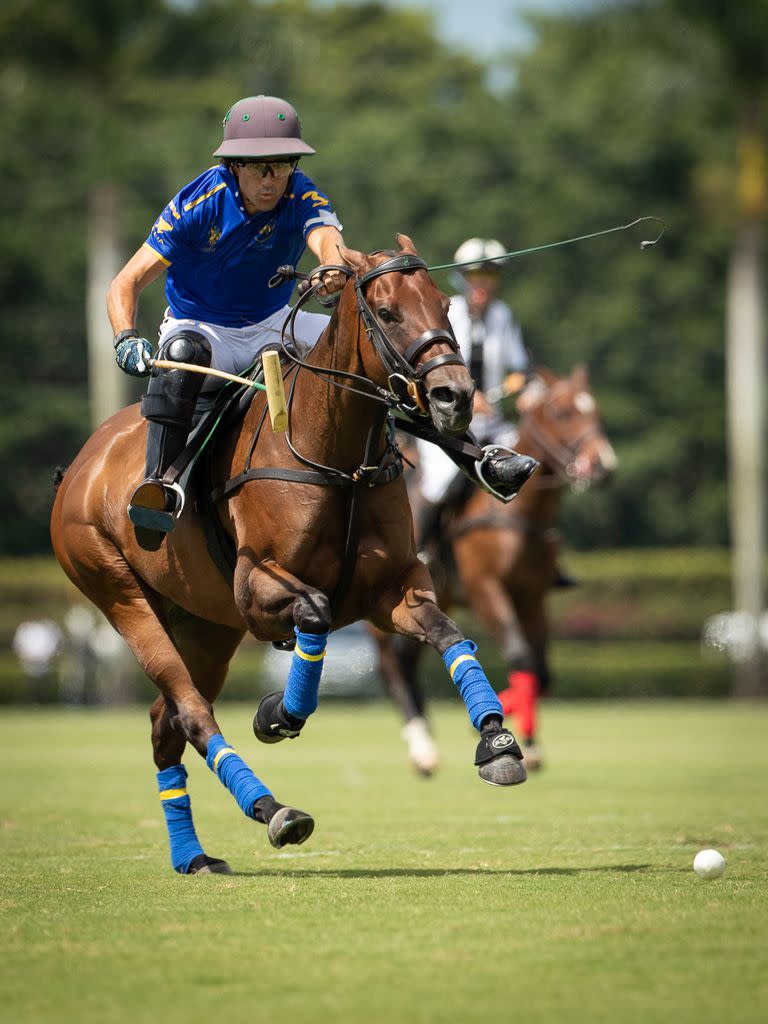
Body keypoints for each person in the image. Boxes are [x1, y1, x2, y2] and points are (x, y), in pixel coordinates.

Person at [108, 98, 537, 543]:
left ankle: (477, 458)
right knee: (180, 355)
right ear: (233, 165)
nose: (272, 179)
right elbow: (125, 283)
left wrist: (332, 269)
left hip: (272, 322)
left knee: (375, 347)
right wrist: (125, 337)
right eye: (260, 168)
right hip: (201, 326)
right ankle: (159, 484)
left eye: (282, 165)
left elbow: (328, 241)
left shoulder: (300, 193)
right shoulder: (199, 203)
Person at [415, 237, 537, 553]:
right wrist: (473, 397)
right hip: (449, 425)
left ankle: (542, 555)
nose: (483, 284)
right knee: (439, 487)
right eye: (475, 276)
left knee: (529, 468)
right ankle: (421, 552)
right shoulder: (446, 314)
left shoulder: (503, 317)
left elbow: (521, 367)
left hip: (494, 425)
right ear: (463, 279)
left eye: (491, 276)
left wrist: (519, 384)